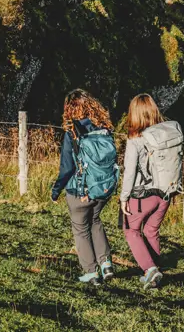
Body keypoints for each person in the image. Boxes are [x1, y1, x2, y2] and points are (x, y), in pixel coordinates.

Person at [51, 89, 120, 285]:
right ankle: (106, 263)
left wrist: (56, 190)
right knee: (95, 220)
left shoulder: (72, 133)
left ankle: (91, 272)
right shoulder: (105, 128)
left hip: (79, 190)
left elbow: (67, 168)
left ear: (69, 109)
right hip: (102, 188)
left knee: (81, 229)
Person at [120, 93, 184, 290]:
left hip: (143, 195)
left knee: (131, 230)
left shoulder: (135, 141)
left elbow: (130, 172)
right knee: (151, 230)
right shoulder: (167, 134)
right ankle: (155, 270)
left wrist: (124, 197)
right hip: (165, 193)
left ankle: (150, 270)